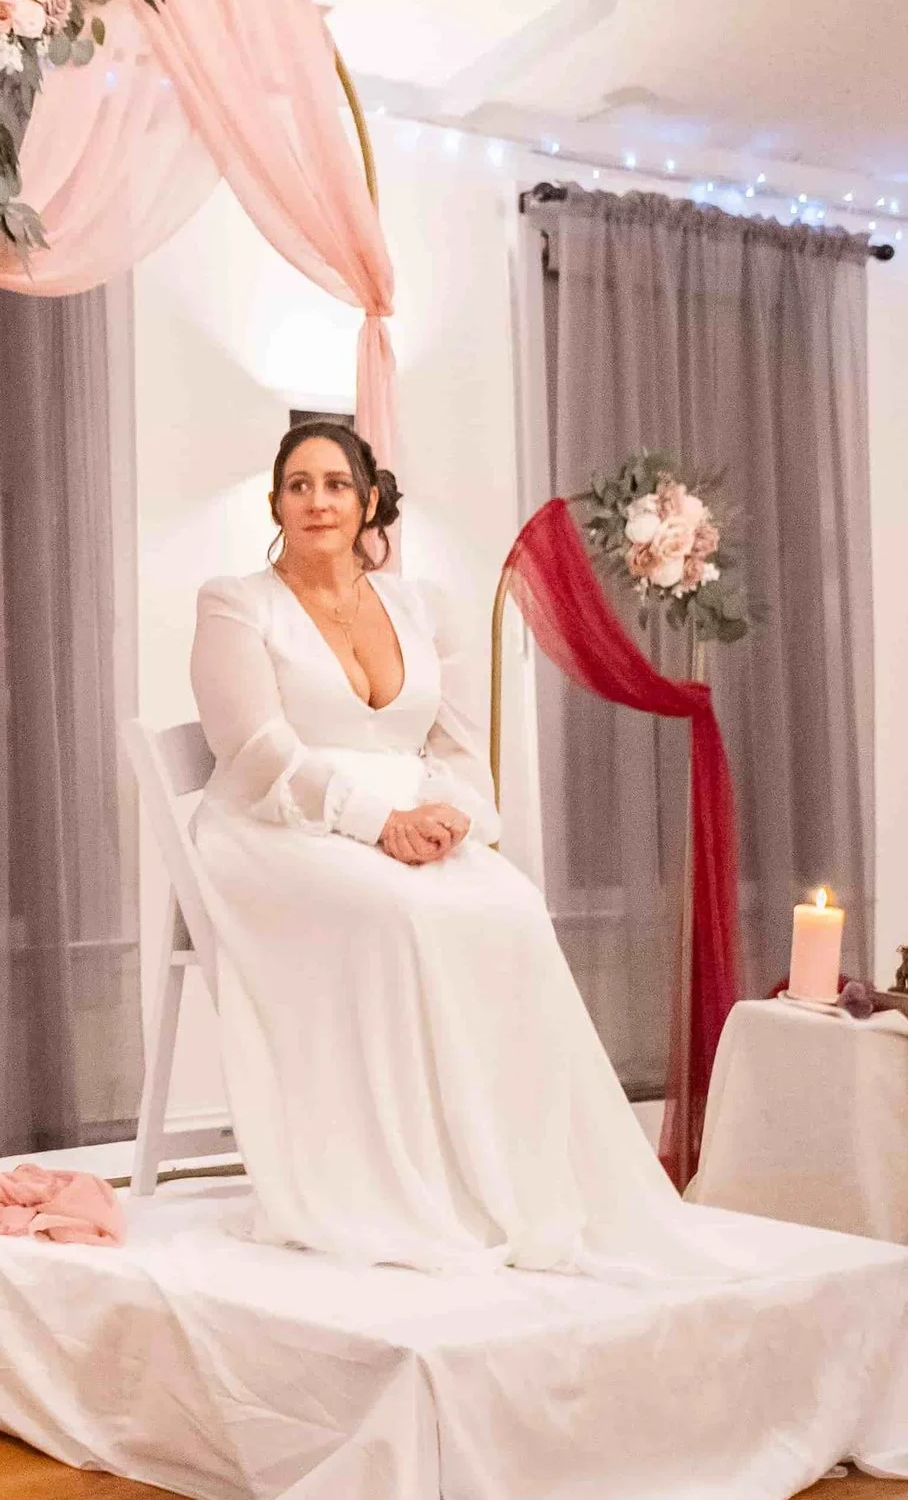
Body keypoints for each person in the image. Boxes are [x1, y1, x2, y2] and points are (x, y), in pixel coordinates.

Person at [186, 420, 702, 1279]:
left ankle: (510, 1172)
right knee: (402, 913)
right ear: (275, 502)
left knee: (509, 903)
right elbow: (255, 750)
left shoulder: (419, 605)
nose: (317, 501)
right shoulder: (235, 601)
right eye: (298, 485)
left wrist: (455, 812)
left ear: (367, 500)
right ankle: (408, 1177)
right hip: (270, 824)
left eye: (335, 484)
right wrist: (373, 820)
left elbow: (459, 742)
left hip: (404, 810)